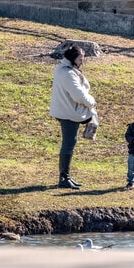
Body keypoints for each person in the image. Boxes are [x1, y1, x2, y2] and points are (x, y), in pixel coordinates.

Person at [49, 46, 96, 190]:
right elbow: (78, 95)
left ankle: (66, 177)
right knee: (69, 143)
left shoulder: (61, 70)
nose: (82, 62)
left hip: (64, 110)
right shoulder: (69, 74)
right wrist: (91, 101)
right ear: (73, 58)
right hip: (68, 112)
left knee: (70, 141)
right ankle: (64, 178)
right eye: (80, 59)